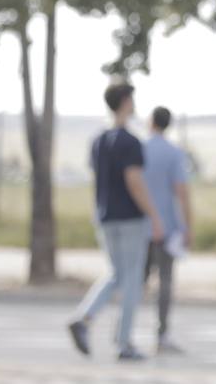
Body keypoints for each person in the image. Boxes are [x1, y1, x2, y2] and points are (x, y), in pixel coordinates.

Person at [67, 78, 164, 362]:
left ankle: (85, 318)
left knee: (116, 274)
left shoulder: (98, 141)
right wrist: (154, 215)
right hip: (130, 218)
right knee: (132, 280)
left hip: (105, 216)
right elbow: (134, 181)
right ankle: (124, 342)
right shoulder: (130, 142)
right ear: (125, 102)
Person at [143, 105, 192, 354]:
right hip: (167, 228)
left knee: (136, 282)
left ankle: (123, 332)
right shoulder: (174, 153)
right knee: (165, 282)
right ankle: (162, 335)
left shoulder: (139, 149)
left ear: (151, 122)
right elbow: (182, 192)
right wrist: (187, 227)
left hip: (140, 227)